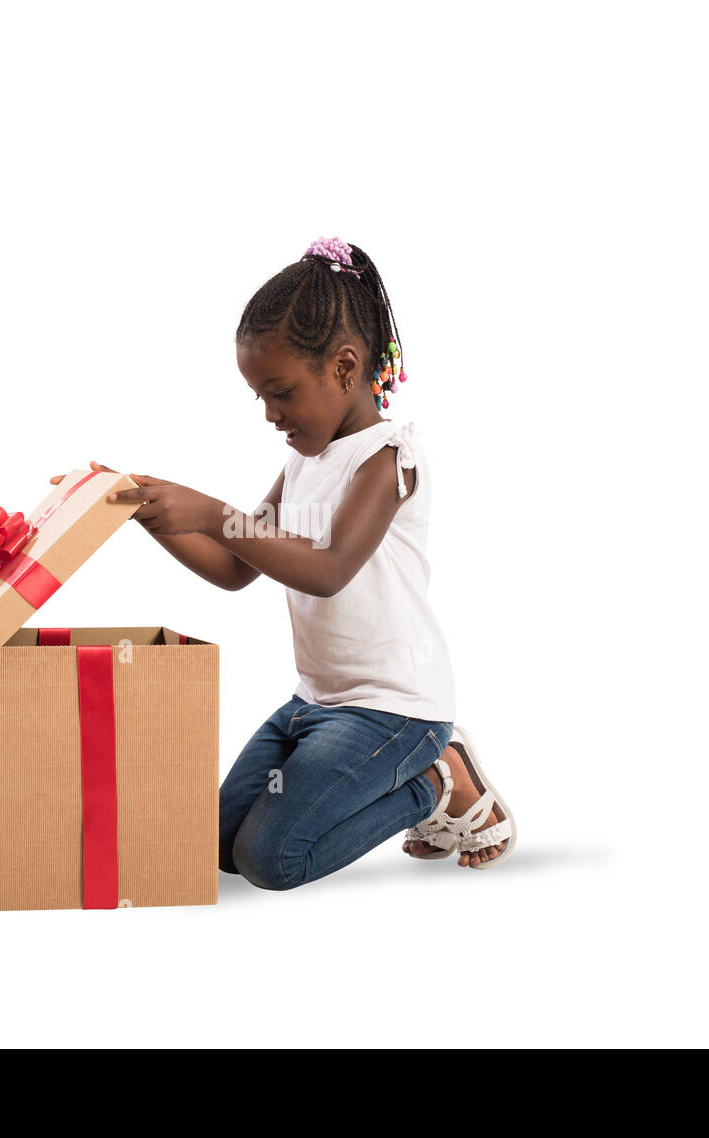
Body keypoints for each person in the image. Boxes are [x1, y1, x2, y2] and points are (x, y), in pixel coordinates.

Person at [72, 236, 517, 891]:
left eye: (279, 393)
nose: (270, 414)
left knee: (272, 859)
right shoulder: (302, 463)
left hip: (394, 711)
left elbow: (329, 567)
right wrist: (147, 510)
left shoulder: (388, 461)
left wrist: (210, 511)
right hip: (315, 704)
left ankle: (436, 778)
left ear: (343, 367)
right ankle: (399, 776)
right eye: (260, 396)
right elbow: (235, 566)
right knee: (221, 846)